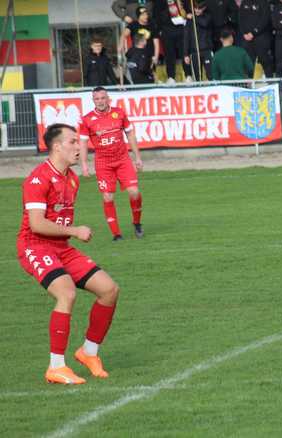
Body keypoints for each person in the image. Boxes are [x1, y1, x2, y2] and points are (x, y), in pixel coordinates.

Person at [17, 123, 120, 384]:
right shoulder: (37, 179)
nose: (79, 146)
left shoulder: (71, 179)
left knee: (109, 290)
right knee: (67, 292)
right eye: (73, 142)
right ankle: (56, 366)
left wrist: (69, 234)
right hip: (35, 246)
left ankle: (88, 352)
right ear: (56, 147)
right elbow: (37, 223)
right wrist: (75, 231)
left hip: (61, 248)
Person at [79, 87, 144, 241]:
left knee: (134, 192)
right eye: (97, 99)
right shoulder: (87, 119)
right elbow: (82, 143)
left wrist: (138, 157)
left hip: (123, 159)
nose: (100, 101)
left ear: (108, 98)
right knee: (108, 197)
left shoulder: (119, 113)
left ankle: (137, 222)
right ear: (93, 100)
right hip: (103, 162)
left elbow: (130, 134)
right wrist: (84, 164)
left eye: (103, 98)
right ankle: (116, 234)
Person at [154, 0, 188, 84]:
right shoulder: (160, 2)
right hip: (167, 30)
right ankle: (171, 77)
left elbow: (187, 9)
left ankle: (188, 75)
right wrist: (159, 30)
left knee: (185, 53)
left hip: (181, 30)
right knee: (169, 55)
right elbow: (156, 14)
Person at [238, 0, 274, 78]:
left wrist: (253, 33)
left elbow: (265, 19)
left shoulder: (263, 2)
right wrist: (244, 33)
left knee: (265, 61)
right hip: (247, 39)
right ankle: (248, 87)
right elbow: (240, 19)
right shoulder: (244, 2)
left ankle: (271, 83)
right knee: (248, 64)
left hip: (261, 38)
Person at [120, 6, 160, 74]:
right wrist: (121, 45)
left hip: (149, 56)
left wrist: (156, 56)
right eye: (143, 15)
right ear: (139, 16)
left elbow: (156, 43)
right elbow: (123, 35)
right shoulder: (133, 25)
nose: (146, 16)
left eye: (146, 14)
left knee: (151, 77)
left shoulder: (152, 26)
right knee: (138, 76)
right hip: (137, 57)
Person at [183, 1, 214, 81]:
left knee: (211, 75)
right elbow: (186, 37)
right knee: (197, 78)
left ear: (204, 8)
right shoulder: (189, 21)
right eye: (195, 8)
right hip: (194, 52)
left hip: (206, 50)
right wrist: (186, 54)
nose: (196, 10)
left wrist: (193, 17)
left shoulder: (207, 16)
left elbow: (204, 23)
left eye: (199, 8)